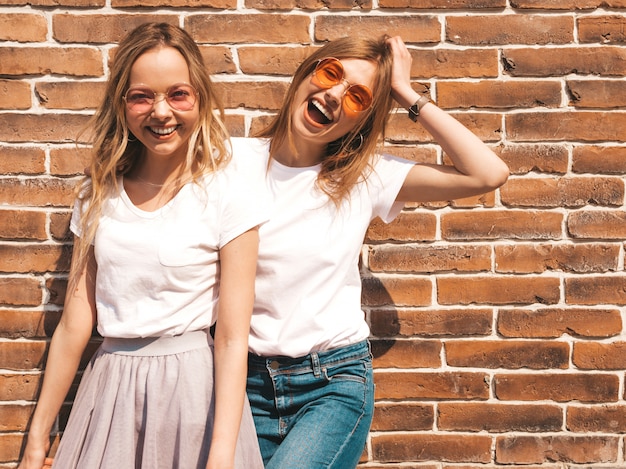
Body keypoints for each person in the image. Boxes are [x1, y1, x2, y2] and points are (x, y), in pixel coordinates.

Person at [229, 35, 510, 468]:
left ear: (363, 121)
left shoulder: (365, 176)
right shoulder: (230, 160)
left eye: (358, 96)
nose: (334, 95)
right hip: (241, 385)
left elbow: (488, 173)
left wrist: (405, 94)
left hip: (331, 384)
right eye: (330, 73)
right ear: (306, 72)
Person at [18, 23, 265, 469]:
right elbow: (76, 322)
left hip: (193, 394)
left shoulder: (229, 192)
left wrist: (222, 455)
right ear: (123, 103)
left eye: (178, 94)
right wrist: (38, 440)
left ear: (201, 99)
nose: (161, 111)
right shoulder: (97, 195)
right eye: (142, 96)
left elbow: (231, 339)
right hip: (109, 390)